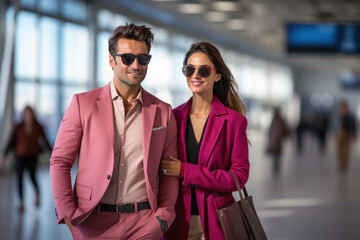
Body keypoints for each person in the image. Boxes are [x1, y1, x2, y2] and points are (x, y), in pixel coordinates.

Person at [50, 23, 179, 240]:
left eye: (143, 58)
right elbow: (60, 161)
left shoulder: (163, 112)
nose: (135, 65)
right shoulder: (83, 104)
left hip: (144, 224)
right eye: (127, 58)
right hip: (92, 223)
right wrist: (67, 213)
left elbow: (169, 171)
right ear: (112, 60)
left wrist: (163, 217)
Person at [161, 42, 250, 240]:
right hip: (177, 220)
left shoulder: (234, 122)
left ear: (217, 75)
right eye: (189, 69)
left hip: (217, 221)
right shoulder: (172, 118)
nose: (195, 75)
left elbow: (238, 178)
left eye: (204, 70)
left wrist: (185, 171)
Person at [1, 106, 52, 212]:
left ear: (33, 114)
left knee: (32, 177)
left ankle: (37, 193)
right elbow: (11, 141)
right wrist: (4, 155)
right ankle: (21, 202)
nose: (28, 115)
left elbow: (45, 141)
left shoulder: (38, 126)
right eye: (26, 113)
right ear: (24, 114)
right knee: (19, 178)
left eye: (30, 113)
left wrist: (53, 153)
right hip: (20, 156)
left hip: (32, 156)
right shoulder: (18, 126)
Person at [266, 107, 289, 174]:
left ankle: (276, 169)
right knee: (276, 155)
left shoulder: (278, 120)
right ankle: (276, 169)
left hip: (276, 141)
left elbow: (278, 131)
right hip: (276, 140)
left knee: (276, 155)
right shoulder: (277, 119)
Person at [335, 100, 357, 172]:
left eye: (343, 108)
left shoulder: (350, 117)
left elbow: (353, 126)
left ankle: (345, 164)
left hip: (347, 134)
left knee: (347, 150)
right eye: (341, 108)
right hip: (339, 133)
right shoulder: (339, 116)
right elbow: (336, 126)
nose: (342, 110)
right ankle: (341, 164)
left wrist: (354, 135)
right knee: (339, 150)